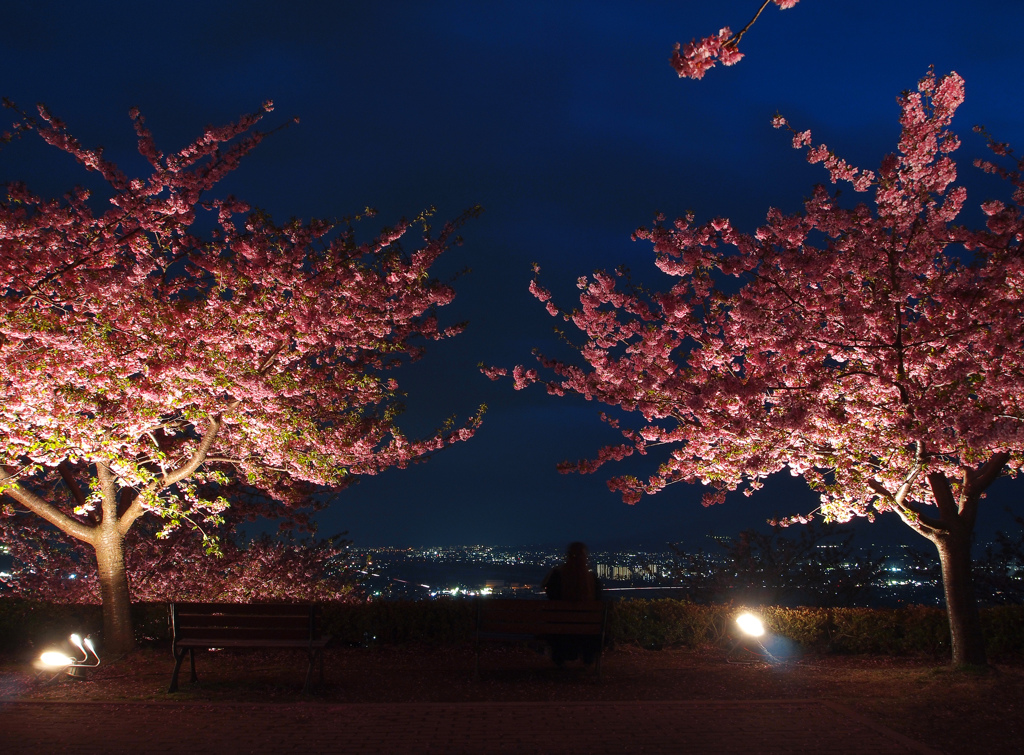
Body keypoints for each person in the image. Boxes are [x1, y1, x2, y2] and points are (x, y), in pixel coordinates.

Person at [541, 541, 603, 666]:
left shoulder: (557, 576)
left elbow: (550, 595)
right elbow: (599, 599)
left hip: (560, 632)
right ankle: (588, 660)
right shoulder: (592, 580)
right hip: (587, 632)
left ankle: (559, 660)